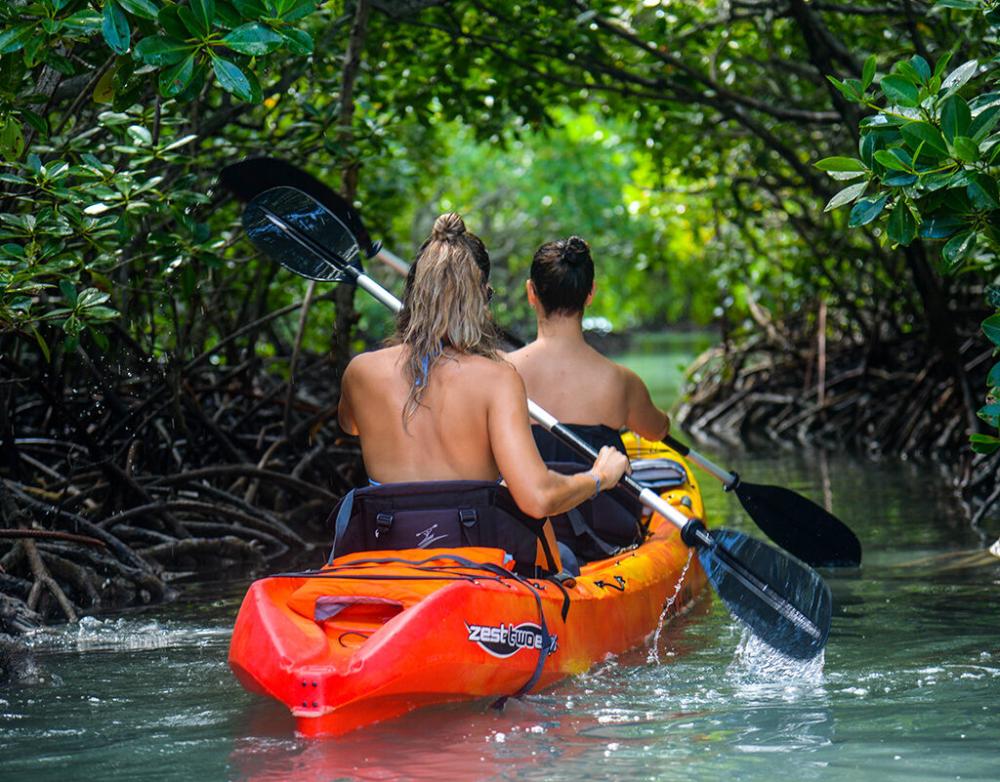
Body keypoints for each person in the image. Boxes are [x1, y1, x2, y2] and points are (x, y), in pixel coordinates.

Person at [336, 214, 629, 540]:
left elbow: (351, 426)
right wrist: (598, 477)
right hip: (474, 561)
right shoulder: (498, 379)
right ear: (479, 300)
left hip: (388, 552)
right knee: (567, 558)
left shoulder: (360, 372)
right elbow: (538, 498)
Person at [507, 235, 670, 462]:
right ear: (590, 293)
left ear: (531, 292)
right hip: (601, 496)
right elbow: (658, 430)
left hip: (521, 497)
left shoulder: (502, 373)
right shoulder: (621, 381)